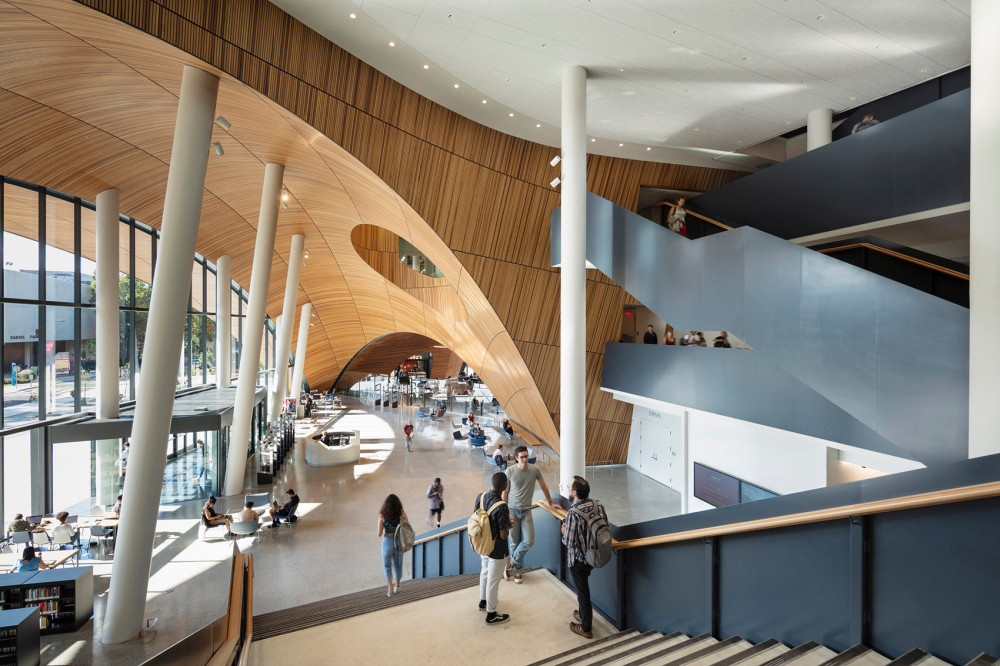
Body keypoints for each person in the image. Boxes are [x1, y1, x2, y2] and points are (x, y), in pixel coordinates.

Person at [503, 445, 557, 583]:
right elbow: (505, 492)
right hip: (512, 510)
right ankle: (517, 571)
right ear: (516, 458)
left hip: (527, 510)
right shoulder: (509, 471)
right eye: (522, 457)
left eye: (526, 456)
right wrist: (504, 511)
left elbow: (544, 487)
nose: (525, 460)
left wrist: (550, 503)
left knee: (529, 541)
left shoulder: (535, 469)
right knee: (514, 542)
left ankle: (511, 561)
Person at [561, 475, 607, 639]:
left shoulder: (573, 513)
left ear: (574, 492)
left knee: (582, 591)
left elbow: (570, 542)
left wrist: (563, 531)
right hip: (594, 556)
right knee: (583, 588)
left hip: (578, 559)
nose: (567, 489)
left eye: (569, 487)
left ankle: (586, 627)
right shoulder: (598, 505)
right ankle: (582, 613)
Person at [476, 472, 511, 625]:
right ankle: (491, 614)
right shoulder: (502, 506)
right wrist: (508, 525)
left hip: (484, 544)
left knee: (484, 572)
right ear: (504, 486)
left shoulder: (481, 497)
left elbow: (479, 517)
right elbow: (503, 535)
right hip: (497, 549)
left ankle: (483, 601)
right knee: (494, 581)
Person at [377, 493, 408, 597]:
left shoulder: (382, 515)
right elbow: (407, 525)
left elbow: (379, 534)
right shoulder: (401, 513)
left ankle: (390, 588)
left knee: (387, 566)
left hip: (387, 542)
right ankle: (397, 586)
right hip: (398, 541)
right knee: (398, 564)